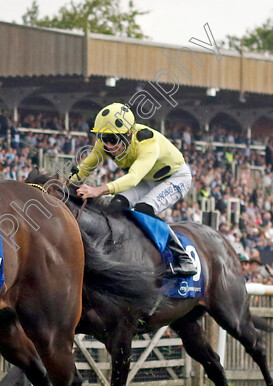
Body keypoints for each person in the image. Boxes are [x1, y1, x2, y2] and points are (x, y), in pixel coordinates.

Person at [73, 103, 197, 277]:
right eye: (103, 138)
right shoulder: (106, 142)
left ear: (128, 134)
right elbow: (87, 166)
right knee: (116, 205)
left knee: (144, 208)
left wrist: (99, 190)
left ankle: (182, 258)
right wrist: (67, 185)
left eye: (113, 139)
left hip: (175, 177)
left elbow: (133, 178)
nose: (108, 145)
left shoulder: (147, 143)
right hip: (148, 178)